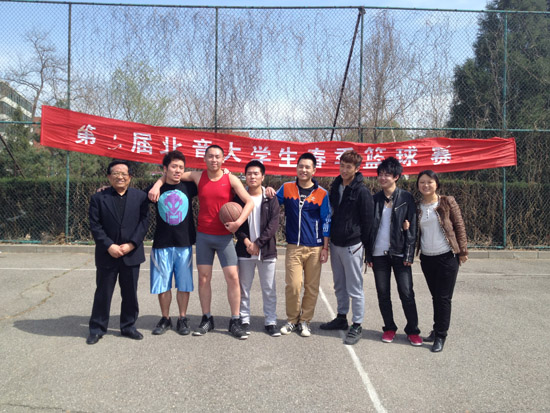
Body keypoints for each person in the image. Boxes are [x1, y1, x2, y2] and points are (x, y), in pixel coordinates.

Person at [149, 145, 254, 340]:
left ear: (223, 159)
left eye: (217, 156)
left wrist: (238, 222)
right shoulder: (197, 176)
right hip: (203, 236)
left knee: (233, 277)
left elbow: (250, 202)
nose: (214, 160)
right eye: (210, 156)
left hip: (224, 237)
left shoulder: (230, 179)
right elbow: (171, 174)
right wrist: (157, 185)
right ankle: (207, 318)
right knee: (204, 278)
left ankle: (235, 320)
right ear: (204, 159)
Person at [87, 160, 149, 345]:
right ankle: (97, 328)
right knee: (103, 293)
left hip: (131, 253)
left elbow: (144, 222)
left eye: (124, 173)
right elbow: (95, 225)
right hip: (107, 254)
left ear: (130, 177)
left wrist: (132, 244)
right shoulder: (98, 198)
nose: (120, 177)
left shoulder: (140, 197)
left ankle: (128, 326)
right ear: (109, 177)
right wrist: (109, 245)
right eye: (115, 173)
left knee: (130, 293)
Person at [367, 156, 422, 346]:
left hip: (400, 253)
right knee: (383, 294)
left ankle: (413, 330)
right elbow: (369, 229)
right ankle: (389, 328)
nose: (383, 178)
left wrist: (409, 253)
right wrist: (368, 254)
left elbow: (412, 228)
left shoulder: (406, 198)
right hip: (378, 254)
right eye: (380, 174)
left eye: (387, 175)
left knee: (406, 293)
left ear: (396, 177)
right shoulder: (375, 199)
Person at [320, 150, 374, 345]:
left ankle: (357, 324)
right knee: (339, 284)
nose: (344, 170)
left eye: (348, 167)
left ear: (357, 169)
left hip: (353, 246)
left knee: (355, 287)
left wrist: (368, 251)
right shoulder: (335, 186)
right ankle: (341, 317)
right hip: (336, 244)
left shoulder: (362, 191)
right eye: (342, 165)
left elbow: (368, 222)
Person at [276, 153, 331, 337]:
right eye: (301, 166)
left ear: (314, 170)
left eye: (308, 167)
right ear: (296, 168)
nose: (304, 170)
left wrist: (325, 248)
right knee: (293, 285)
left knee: (311, 287)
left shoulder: (322, 193)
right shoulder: (286, 188)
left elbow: (326, 220)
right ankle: (292, 320)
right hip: (293, 246)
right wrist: (266, 191)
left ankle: (305, 321)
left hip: (315, 247)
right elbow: (272, 204)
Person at [413, 170, 468, 352]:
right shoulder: (417, 206)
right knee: (436, 297)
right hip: (427, 258)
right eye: (422, 182)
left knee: (443, 298)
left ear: (436, 184)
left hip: (447, 256)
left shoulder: (447, 202)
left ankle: (441, 336)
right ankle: (436, 330)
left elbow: (459, 225)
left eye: (429, 181)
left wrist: (463, 251)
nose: (426, 185)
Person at [148, 151, 197, 336]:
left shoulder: (189, 187)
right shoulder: (154, 190)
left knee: (184, 284)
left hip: (184, 244)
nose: (178, 170)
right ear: (165, 168)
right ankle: (165, 318)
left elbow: (209, 180)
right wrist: (107, 189)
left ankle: (182, 318)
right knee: (163, 284)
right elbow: (130, 195)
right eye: (174, 166)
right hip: (162, 243)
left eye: (181, 167)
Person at [234, 160, 281, 337]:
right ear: (245, 176)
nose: (252, 176)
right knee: (244, 288)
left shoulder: (270, 197)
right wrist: (247, 243)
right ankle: (244, 319)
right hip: (244, 250)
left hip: (266, 250)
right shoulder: (239, 197)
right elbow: (236, 223)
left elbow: (273, 224)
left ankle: (270, 321)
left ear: (262, 176)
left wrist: (258, 244)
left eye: (256, 173)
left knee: (269, 288)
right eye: (249, 173)